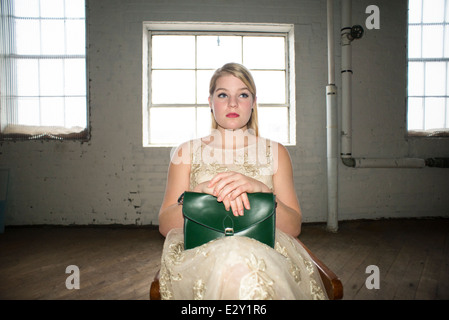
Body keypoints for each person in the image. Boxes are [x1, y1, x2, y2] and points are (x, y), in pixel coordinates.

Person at [157, 62, 327, 300]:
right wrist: (198, 198)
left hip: (268, 253)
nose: (233, 103)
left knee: (242, 262)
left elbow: (294, 227)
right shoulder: (186, 153)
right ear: (210, 102)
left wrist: (264, 192)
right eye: (223, 94)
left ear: (254, 103)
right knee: (233, 259)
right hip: (200, 256)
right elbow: (165, 225)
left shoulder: (276, 153)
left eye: (243, 94)